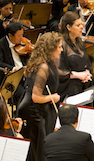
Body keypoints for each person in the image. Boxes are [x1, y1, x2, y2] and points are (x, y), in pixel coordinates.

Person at [17, 32, 63, 161]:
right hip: (34, 112)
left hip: (40, 109)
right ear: (51, 48)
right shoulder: (42, 66)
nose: (61, 49)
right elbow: (36, 97)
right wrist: (53, 97)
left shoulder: (47, 62)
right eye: (59, 47)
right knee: (38, 149)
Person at [58, 12, 94, 102]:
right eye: (78, 25)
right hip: (68, 84)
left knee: (93, 79)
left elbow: (86, 62)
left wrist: (87, 72)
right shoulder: (61, 45)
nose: (82, 27)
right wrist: (78, 75)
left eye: (81, 24)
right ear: (68, 27)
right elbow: (59, 71)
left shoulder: (79, 42)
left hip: (82, 80)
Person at [0, 22, 29, 109]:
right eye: (19, 35)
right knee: (23, 94)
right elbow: (0, 63)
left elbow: (26, 60)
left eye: (22, 35)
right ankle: (19, 115)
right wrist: (14, 69)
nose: (22, 38)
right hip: (10, 78)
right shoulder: (1, 44)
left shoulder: (22, 44)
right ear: (10, 35)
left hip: (24, 75)